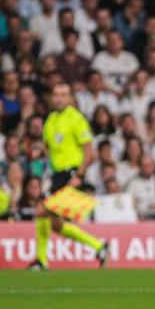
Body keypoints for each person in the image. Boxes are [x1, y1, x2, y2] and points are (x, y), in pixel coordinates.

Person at [27, 82, 109, 270]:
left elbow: (89, 151)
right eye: (56, 94)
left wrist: (78, 175)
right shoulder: (51, 120)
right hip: (56, 175)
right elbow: (49, 149)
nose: (59, 98)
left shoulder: (76, 118)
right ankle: (99, 246)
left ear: (70, 98)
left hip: (70, 173)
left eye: (64, 94)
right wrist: (39, 153)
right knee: (56, 224)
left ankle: (41, 261)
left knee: (41, 210)